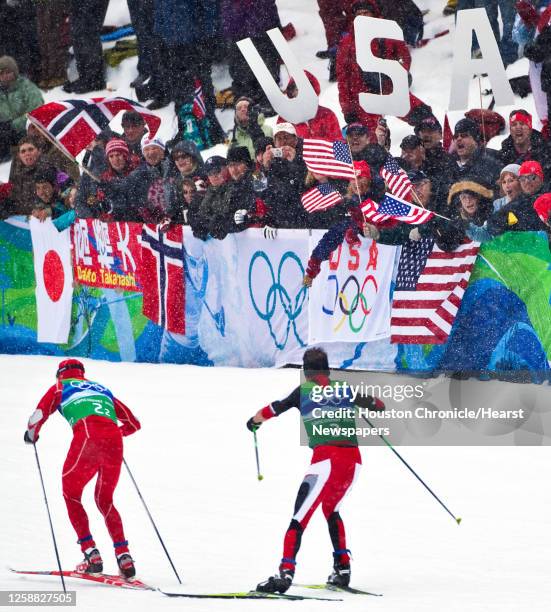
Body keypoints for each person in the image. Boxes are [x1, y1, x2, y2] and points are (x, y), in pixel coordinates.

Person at [247, 347, 384, 594]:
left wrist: (254, 422)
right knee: (332, 510)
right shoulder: (344, 389)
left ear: (305, 372)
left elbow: (274, 408)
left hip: (325, 461)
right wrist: (366, 405)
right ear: (328, 369)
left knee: (299, 518)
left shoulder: (303, 391)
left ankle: (284, 574)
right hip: (353, 463)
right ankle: (342, 569)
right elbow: (379, 405)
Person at [24, 359, 141, 578]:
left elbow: (38, 416)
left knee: (71, 494)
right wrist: (112, 434)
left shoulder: (61, 387)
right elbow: (133, 424)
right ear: (82, 374)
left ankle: (91, 554)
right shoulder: (102, 389)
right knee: (105, 499)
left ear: (60, 374)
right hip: (114, 442)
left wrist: (32, 434)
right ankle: (124, 556)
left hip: (87, 438)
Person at [0, 56, 44, 162]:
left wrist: (13, 124)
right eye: (1, 73)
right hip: (7, 132)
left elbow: (36, 111)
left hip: (27, 129)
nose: (4, 76)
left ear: (14, 72)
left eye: (7, 72)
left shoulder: (27, 87)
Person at [277, 72, 342, 141]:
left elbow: (337, 142)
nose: (302, 93)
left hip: (325, 151)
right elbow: (280, 143)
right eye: (297, 89)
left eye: (305, 89)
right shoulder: (285, 117)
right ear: (292, 92)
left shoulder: (327, 115)